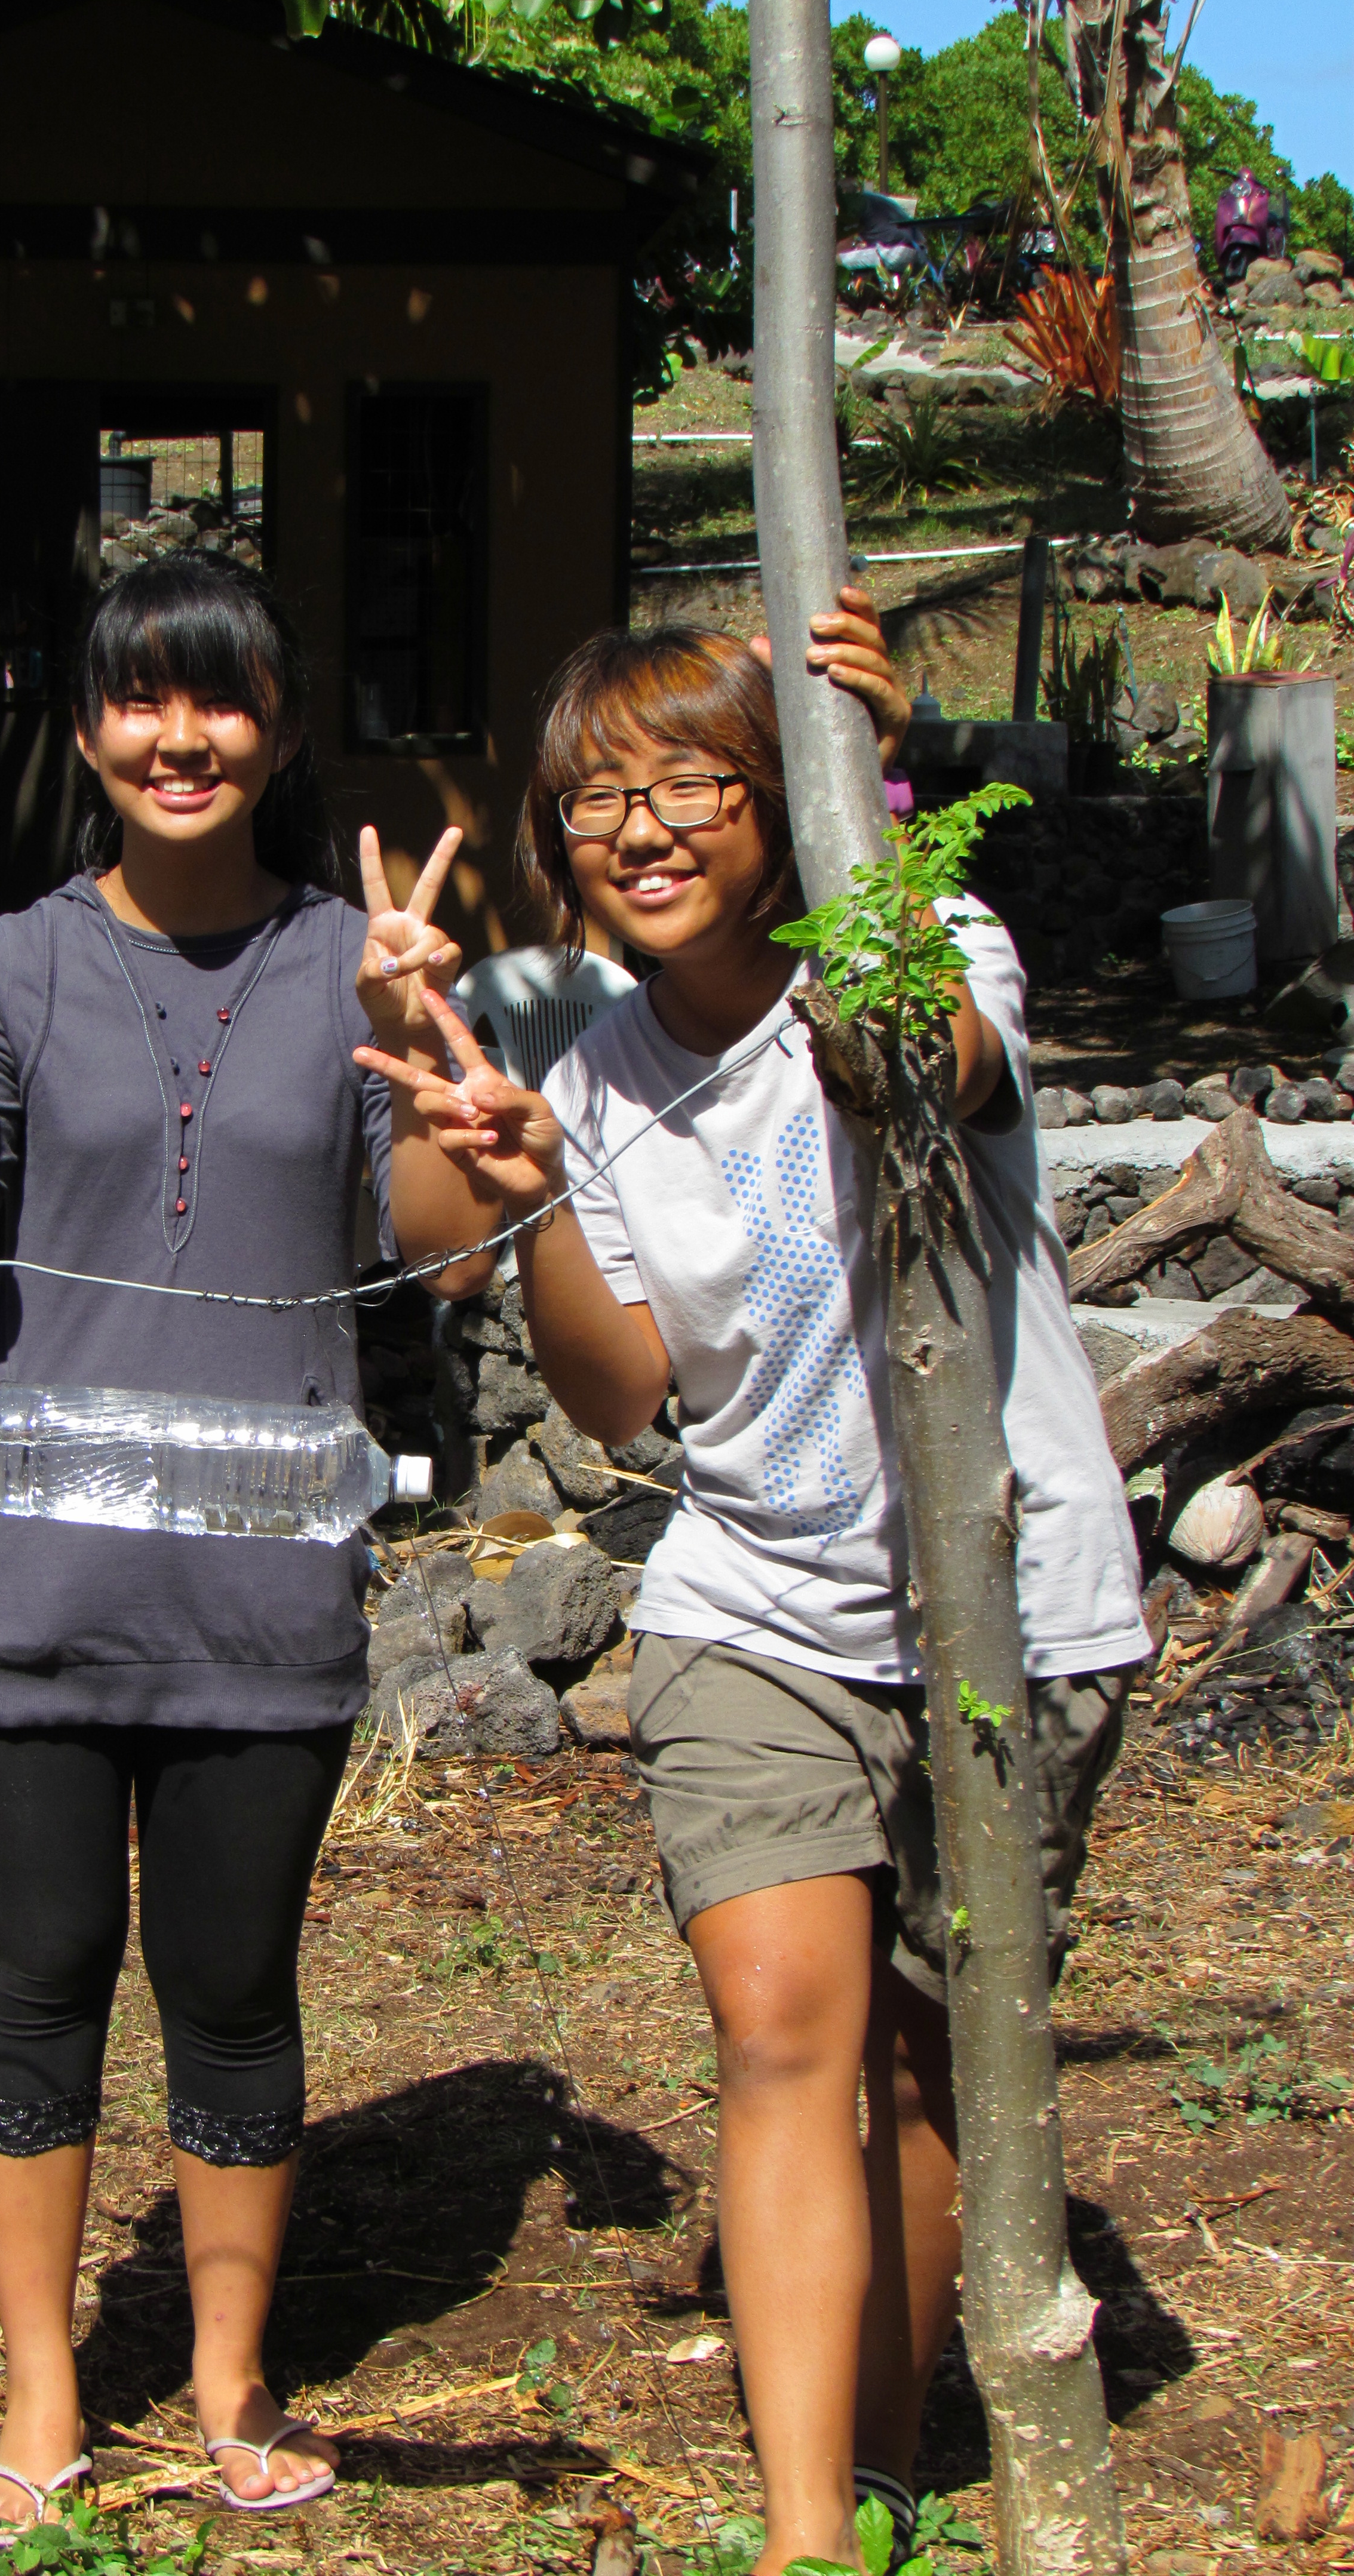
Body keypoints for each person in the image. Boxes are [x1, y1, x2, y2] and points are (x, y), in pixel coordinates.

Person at [355, 613, 1150, 2576]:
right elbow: (625, 1398)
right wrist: (533, 1196)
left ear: (783, 795)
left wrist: (881, 791)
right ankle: (806, 2542)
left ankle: (875, 2471)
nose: (641, 831)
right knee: (787, 2025)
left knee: (925, 2061)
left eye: (693, 782)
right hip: (756, 1608)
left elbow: (939, 1064)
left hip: (1010, 1604)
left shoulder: (926, 944)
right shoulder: (599, 1081)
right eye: (595, 801)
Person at [0, 555, 497, 2523]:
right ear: (88, 728)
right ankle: (42, 2400)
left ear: (279, 734)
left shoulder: (355, 957)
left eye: (222, 702)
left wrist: (420, 1044)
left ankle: (227, 2381)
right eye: (139, 697)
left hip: (265, 1577)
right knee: (38, 1971)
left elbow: (452, 1261)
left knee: (231, 1983)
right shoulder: (5, 971)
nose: (178, 738)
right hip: (29, 1577)